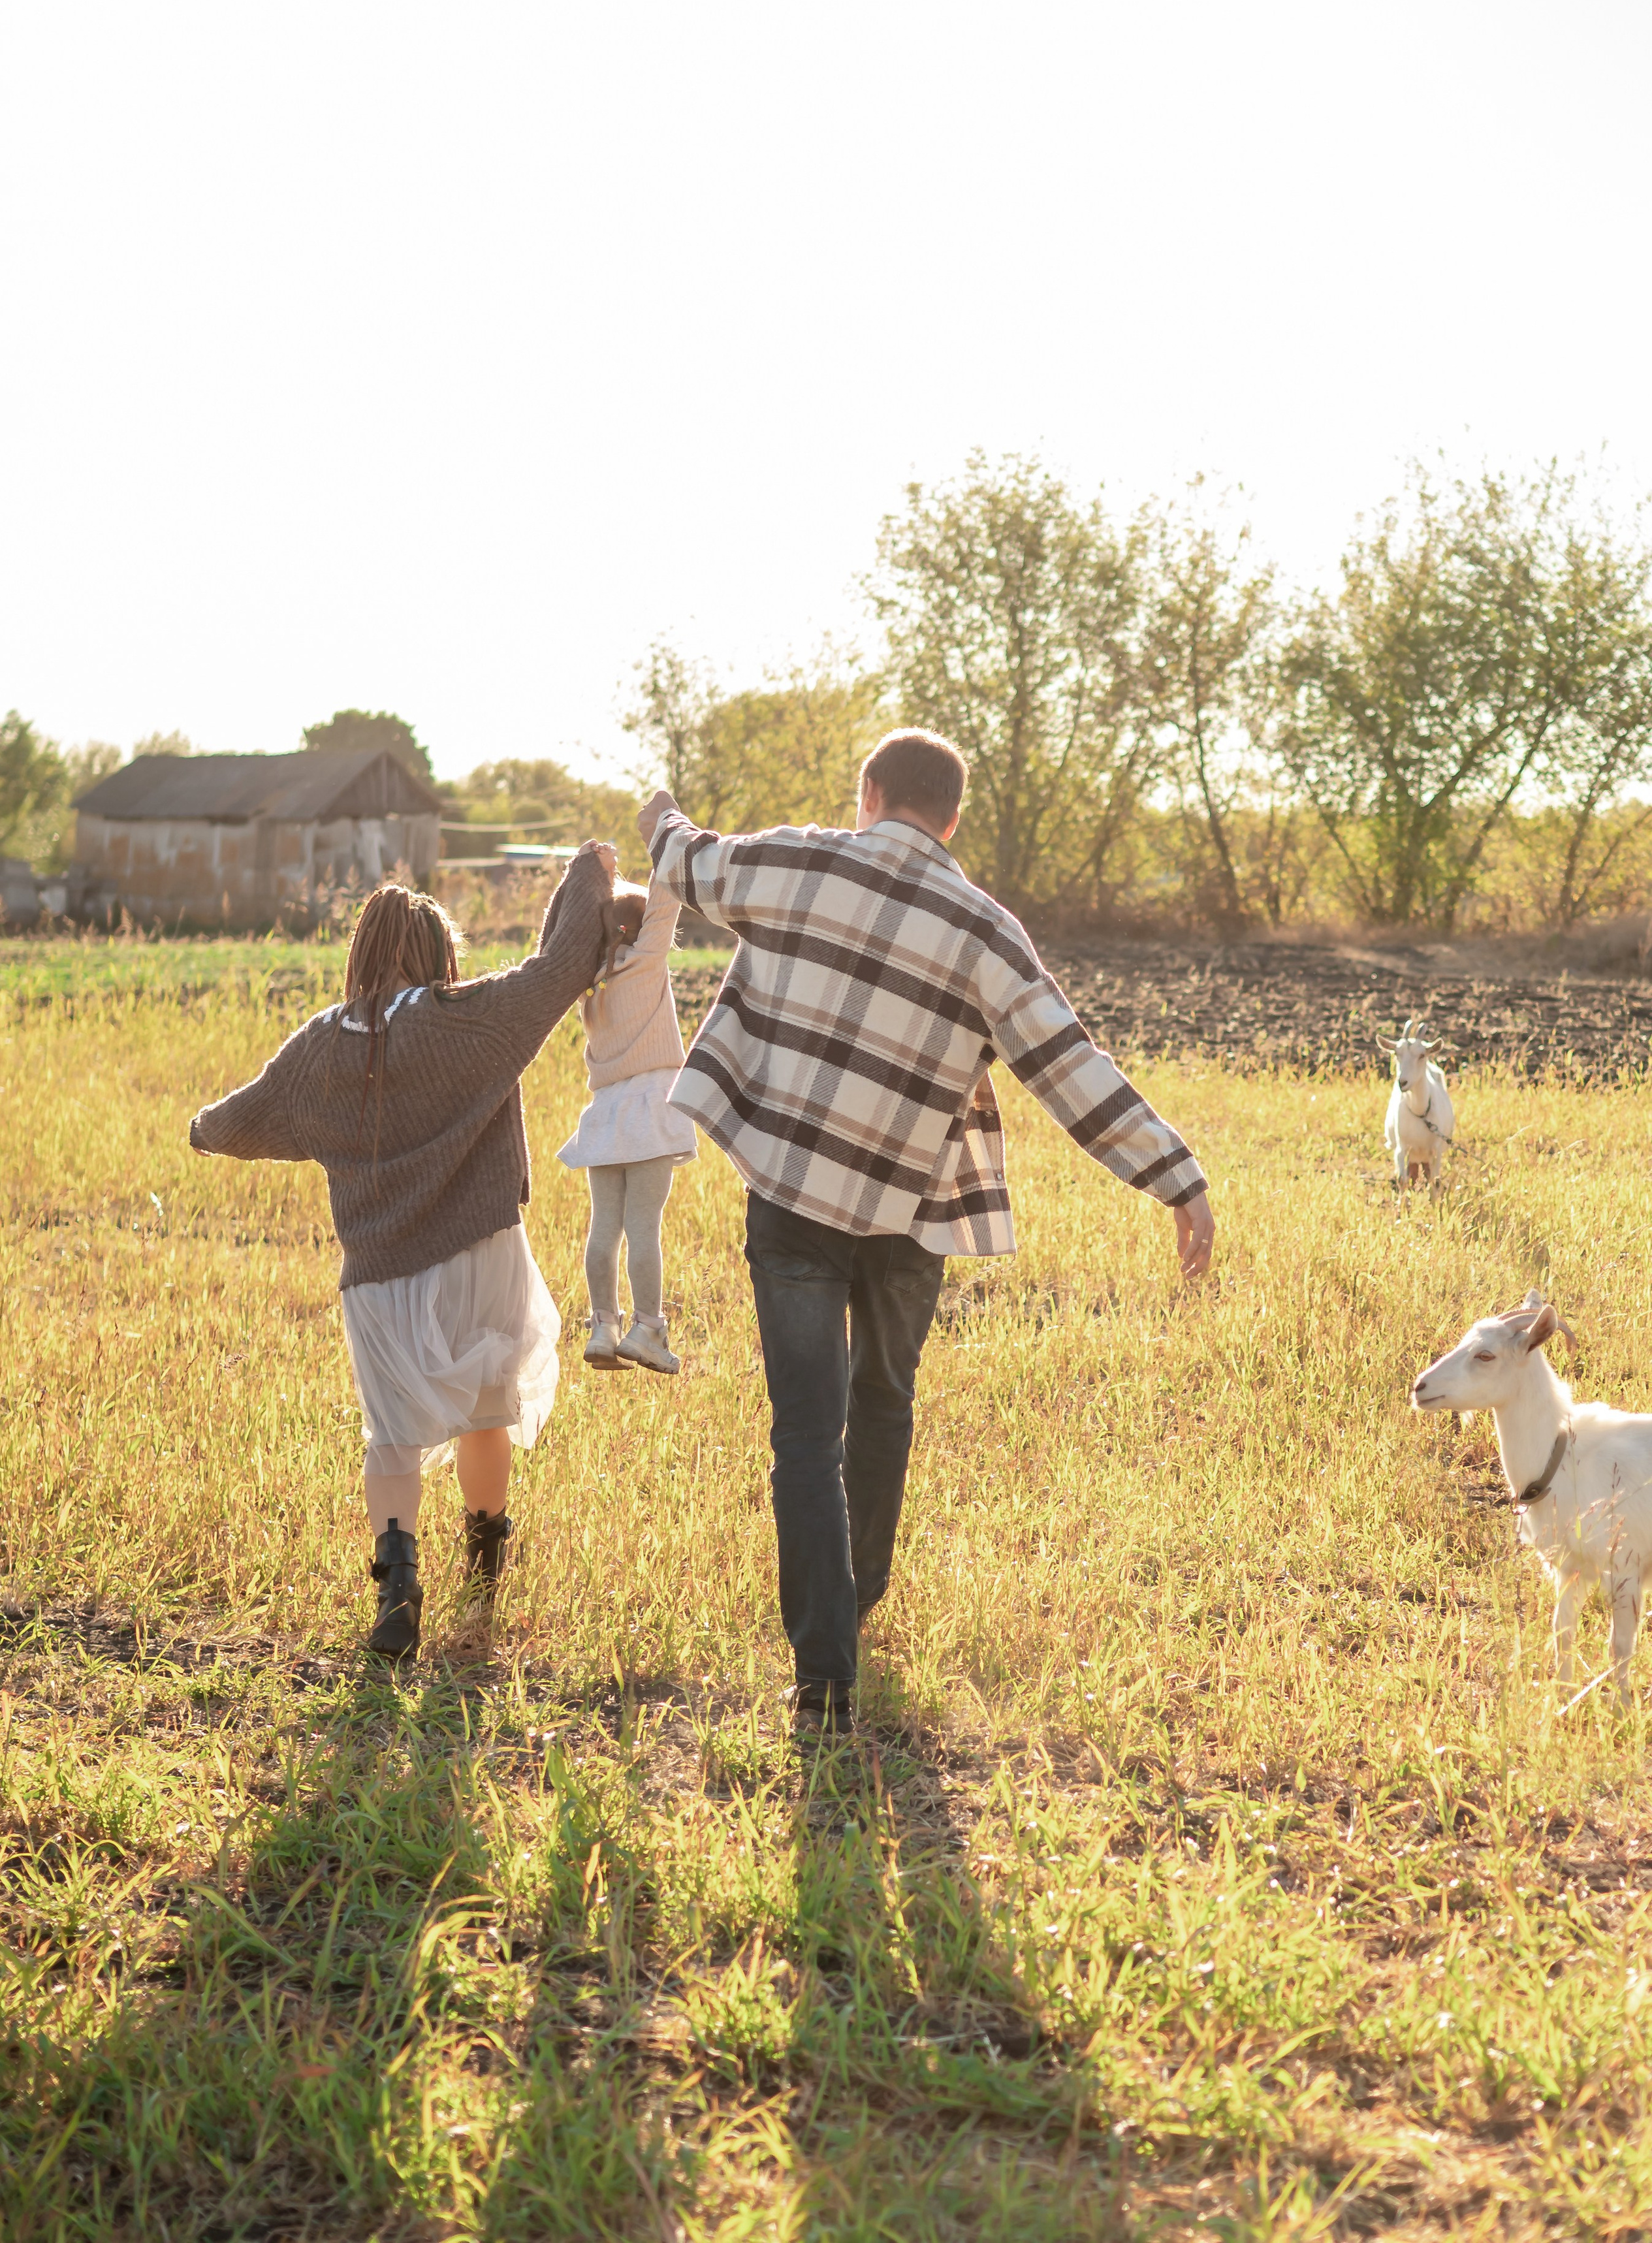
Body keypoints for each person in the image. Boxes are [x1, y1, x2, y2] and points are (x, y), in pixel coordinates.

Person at [638, 728, 1215, 1736]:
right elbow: (1070, 1066)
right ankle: (857, 1599)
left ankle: (824, 1672)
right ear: (951, 819)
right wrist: (1176, 1177)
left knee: (805, 1432)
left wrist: (659, 812)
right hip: (913, 1207)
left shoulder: (803, 858)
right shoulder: (987, 928)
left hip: (793, 1195)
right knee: (885, 1397)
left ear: (868, 793)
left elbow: (689, 861)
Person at [187, 850, 615, 1661]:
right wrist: (587, 870)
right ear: (440, 953)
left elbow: (237, 1120)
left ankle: (397, 1585)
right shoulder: (471, 1016)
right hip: (482, 1255)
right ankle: (485, 1562)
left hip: (379, 1278)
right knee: (486, 1414)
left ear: (360, 954)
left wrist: (199, 1132)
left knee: (391, 1437)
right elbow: (562, 965)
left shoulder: (317, 1045)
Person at [558, 869, 697, 1373]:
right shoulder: (647, 960)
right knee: (644, 1229)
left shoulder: (591, 983)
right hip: (649, 1111)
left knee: (604, 1230)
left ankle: (602, 1325)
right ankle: (649, 1329)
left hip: (605, 1115)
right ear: (641, 930)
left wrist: (593, 878)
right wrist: (663, 834)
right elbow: (666, 901)